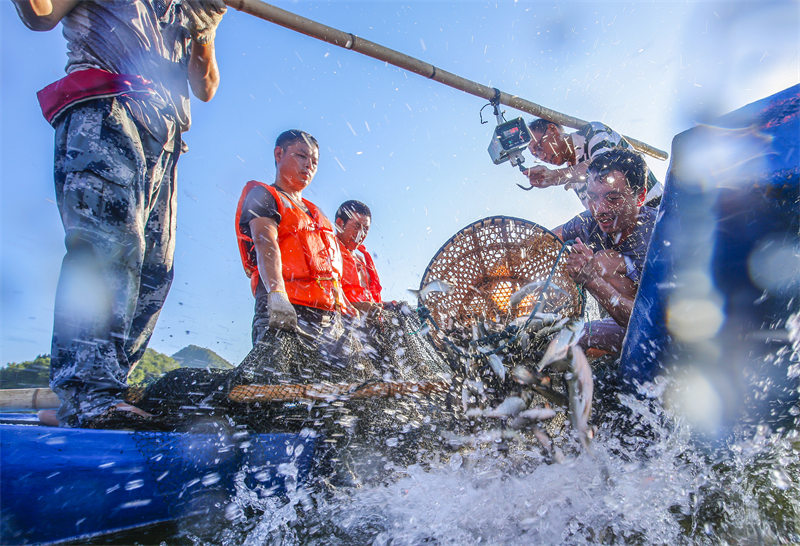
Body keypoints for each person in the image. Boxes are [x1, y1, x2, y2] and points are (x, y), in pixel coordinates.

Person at [13, 0, 226, 427]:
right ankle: (89, 393)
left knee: (154, 272)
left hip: (164, 137)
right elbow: (40, 15)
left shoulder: (183, 8)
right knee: (110, 249)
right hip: (106, 106)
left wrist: (204, 31)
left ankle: (105, 389)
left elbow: (205, 87)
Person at [235, 130, 355, 348]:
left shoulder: (317, 213)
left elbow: (330, 273)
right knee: (282, 381)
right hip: (285, 309)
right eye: (301, 156)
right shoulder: (264, 195)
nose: (309, 165)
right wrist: (277, 294)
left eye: (315, 161)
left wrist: (346, 306)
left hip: (328, 321)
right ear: (279, 154)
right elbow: (265, 242)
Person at [552, 149, 657, 354]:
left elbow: (650, 322)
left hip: (657, 330)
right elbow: (546, 238)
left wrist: (591, 280)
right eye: (593, 197)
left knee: (603, 262)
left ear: (640, 196)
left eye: (613, 198)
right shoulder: (590, 220)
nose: (599, 209)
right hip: (623, 320)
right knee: (573, 338)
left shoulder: (659, 238)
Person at [524, 119, 662, 208]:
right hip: (630, 232)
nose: (541, 156)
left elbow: (605, 164)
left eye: (539, 147)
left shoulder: (591, 132)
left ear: (552, 130)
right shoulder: (572, 175)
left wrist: (554, 176)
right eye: (535, 155)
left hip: (657, 210)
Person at [335, 200, 383, 313]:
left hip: (367, 323)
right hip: (341, 321)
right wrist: (356, 307)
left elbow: (370, 299)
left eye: (365, 229)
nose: (360, 234)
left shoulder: (361, 260)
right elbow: (326, 293)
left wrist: (389, 305)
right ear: (340, 224)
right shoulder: (327, 251)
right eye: (357, 226)